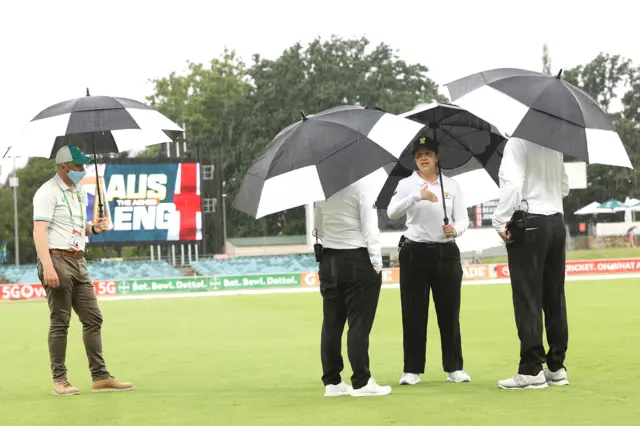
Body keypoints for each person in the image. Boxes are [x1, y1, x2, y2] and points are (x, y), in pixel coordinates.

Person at [32, 145, 134, 396]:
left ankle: (100, 377)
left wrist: (95, 228)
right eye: (78, 166)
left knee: (93, 318)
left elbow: (76, 227)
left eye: (83, 165)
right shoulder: (47, 192)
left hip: (79, 260)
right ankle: (60, 380)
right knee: (60, 322)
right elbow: (39, 231)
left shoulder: (78, 191)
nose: (82, 169)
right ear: (63, 166)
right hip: (57, 259)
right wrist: (47, 267)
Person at [387, 137, 471, 386]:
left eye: (428, 154)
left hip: (446, 252)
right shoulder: (406, 184)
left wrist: (455, 230)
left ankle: (454, 367)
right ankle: (412, 370)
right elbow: (392, 212)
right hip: (414, 251)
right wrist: (417, 196)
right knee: (413, 312)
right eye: (419, 155)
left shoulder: (452, 185)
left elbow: (464, 218)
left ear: (437, 158)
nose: (423, 158)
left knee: (449, 311)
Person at [493, 137, 570, 390]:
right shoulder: (554, 145)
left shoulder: (517, 142)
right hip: (557, 222)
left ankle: (532, 368)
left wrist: (499, 219)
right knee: (554, 296)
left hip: (531, 221)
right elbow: (565, 187)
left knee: (528, 297)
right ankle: (556, 366)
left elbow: (513, 185)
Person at [314, 168, 392, 397]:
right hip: (357, 258)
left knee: (331, 324)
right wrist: (377, 263)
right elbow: (370, 229)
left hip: (330, 260)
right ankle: (361, 381)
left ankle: (332, 382)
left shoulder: (322, 191)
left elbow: (317, 227)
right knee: (359, 324)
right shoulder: (361, 187)